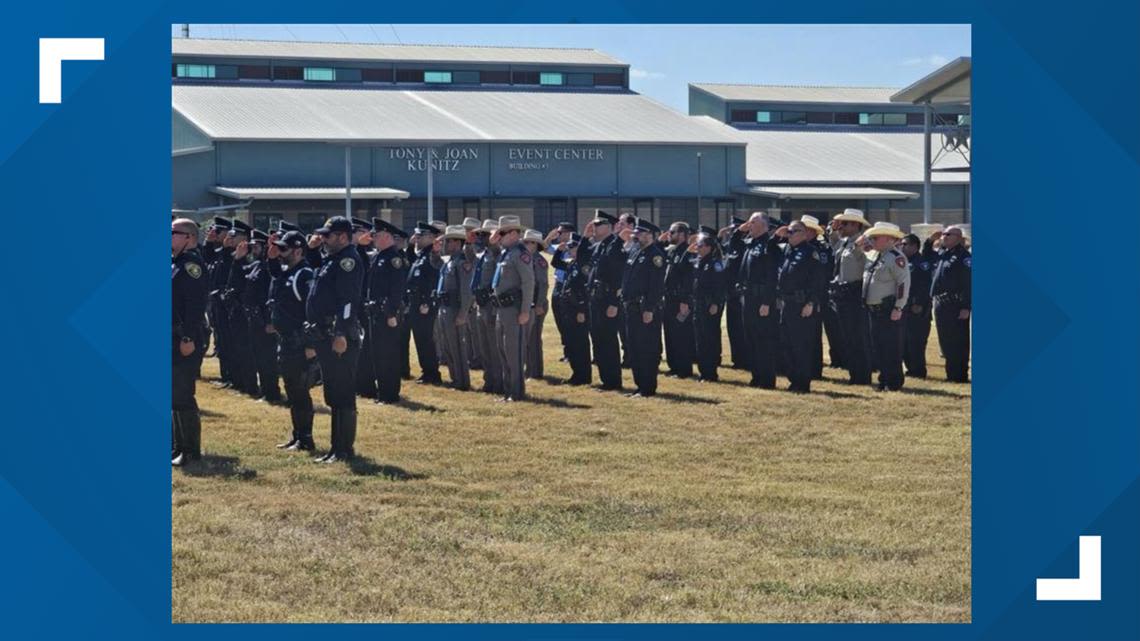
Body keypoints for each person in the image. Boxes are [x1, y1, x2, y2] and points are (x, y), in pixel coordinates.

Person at [305, 216, 364, 463]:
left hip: (337, 334)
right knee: (333, 391)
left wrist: (340, 332)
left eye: (328, 236)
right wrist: (312, 251)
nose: (323, 240)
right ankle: (335, 447)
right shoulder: (334, 259)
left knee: (342, 392)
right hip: (324, 333)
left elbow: (348, 301)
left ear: (342, 236)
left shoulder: (348, 260)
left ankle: (343, 449)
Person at [267, 231, 317, 451]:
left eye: (284, 249)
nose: (280, 253)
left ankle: (306, 438)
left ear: (298, 250)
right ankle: (297, 435)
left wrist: (310, 345)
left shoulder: (304, 274)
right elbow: (276, 275)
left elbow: (312, 311)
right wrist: (271, 258)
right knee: (292, 389)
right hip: (287, 340)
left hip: (299, 342)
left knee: (299, 390)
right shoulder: (289, 272)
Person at [172, 218, 208, 466]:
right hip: (171, 335)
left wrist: (188, 337)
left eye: (174, 232)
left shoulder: (191, 266)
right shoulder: (176, 264)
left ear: (189, 238)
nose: (169, 236)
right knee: (173, 393)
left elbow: (195, 306)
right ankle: (177, 446)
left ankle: (191, 450)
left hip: (185, 336)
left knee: (183, 392)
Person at [363, 219, 410, 404]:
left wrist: (391, 313)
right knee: (378, 354)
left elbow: (397, 289)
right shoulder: (379, 256)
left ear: (387, 236)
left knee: (388, 355)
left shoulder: (393, 258)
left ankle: (390, 394)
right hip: (375, 312)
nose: (373, 238)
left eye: (376, 235)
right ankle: (383, 392)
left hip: (386, 314)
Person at [860, 222, 911, 391]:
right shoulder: (875, 255)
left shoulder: (896, 258)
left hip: (888, 310)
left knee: (891, 347)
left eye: (875, 237)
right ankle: (884, 379)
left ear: (889, 239)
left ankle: (893, 382)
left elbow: (903, 284)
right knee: (879, 347)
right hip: (873, 309)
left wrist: (898, 307)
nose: (872, 240)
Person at [776, 221, 824, 393]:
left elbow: (817, 282)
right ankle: (793, 379)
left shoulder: (810, 253)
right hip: (787, 304)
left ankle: (803, 383)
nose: (789, 234)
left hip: (802, 305)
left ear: (804, 234)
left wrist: (811, 303)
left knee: (801, 345)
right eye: (788, 231)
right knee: (787, 344)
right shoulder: (789, 251)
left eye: (793, 231)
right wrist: (778, 234)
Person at [620, 219, 667, 397]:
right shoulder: (635, 251)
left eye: (640, 233)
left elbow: (656, 286)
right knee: (634, 347)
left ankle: (648, 387)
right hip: (631, 307)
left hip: (644, 309)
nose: (636, 236)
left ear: (649, 235)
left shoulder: (655, 256)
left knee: (646, 348)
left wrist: (649, 308)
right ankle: (639, 385)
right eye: (636, 233)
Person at [490, 216, 535, 402]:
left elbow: (528, 282)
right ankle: (508, 391)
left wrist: (525, 310)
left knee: (514, 353)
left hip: (514, 309)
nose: (499, 236)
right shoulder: (505, 253)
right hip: (502, 308)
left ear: (515, 233)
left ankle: (516, 392)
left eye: (503, 233)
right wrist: (492, 244)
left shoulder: (520, 254)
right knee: (503, 350)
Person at [736, 213, 782, 389]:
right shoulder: (751, 244)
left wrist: (767, 301)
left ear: (764, 226)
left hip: (762, 299)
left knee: (764, 341)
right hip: (748, 298)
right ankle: (756, 376)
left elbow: (772, 277)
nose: (749, 224)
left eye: (753, 222)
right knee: (751, 339)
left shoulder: (769, 247)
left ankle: (767, 379)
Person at [828, 208, 873, 385]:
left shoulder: (863, 243)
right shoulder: (844, 242)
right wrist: (835, 229)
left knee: (857, 337)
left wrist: (858, 246)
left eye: (845, 223)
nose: (841, 226)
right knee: (846, 336)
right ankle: (854, 373)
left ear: (856, 225)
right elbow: (833, 245)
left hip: (854, 293)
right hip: (841, 293)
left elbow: (866, 260)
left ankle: (862, 375)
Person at [585, 211, 626, 391]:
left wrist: (614, 303)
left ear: (609, 227)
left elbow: (619, 279)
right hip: (596, 298)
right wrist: (586, 238)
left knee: (608, 341)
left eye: (598, 224)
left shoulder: (616, 247)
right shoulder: (600, 245)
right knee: (598, 339)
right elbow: (582, 258)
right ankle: (605, 379)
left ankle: (613, 381)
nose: (594, 227)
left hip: (608, 299)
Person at [926, 226, 972, 382]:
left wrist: (966, 307)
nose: (944, 237)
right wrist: (930, 240)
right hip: (940, 303)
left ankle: (960, 375)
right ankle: (951, 374)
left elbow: (968, 283)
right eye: (943, 234)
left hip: (955, 304)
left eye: (948, 234)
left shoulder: (963, 257)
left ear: (959, 238)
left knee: (958, 340)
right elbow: (926, 255)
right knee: (945, 340)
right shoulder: (942, 254)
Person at [242, 229, 283, 403]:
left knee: (268, 359)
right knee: (259, 357)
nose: (254, 249)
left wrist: (269, 321)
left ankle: (272, 392)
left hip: (264, 319)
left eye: (257, 246)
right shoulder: (257, 265)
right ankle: (265, 390)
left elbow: (270, 296)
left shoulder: (268, 268)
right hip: (255, 319)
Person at [436, 225, 475, 391]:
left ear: (458, 243)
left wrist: (463, 313)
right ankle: (455, 378)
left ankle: (462, 381)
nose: (446, 244)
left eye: (449, 241)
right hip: (444, 307)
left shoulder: (462, 263)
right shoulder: (449, 262)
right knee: (448, 346)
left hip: (454, 309)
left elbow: (466, 291)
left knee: (458, 346)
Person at [405, 222, 443, 385]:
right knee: (420, 340)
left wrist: (427, 302)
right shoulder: (421, 255)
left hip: (424, 304)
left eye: (420, 236)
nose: (417, 239)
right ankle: (426, 371)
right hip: (415, 303)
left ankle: (432, 373)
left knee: (425, 340)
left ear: (431, 238)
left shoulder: (432, 256)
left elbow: (433, 281)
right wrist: (411, 245)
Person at [225, 219, 258, 395]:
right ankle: (239, 381)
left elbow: (245, 280)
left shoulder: (250, 257)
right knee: (236, 347)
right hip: (235, 307)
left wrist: (238, 260)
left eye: (235, 235)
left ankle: (250, 385)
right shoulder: (235, 255)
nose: (232, 238)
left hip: (244, 309)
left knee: (246, 349)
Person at [553, 233, 592, 385]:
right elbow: (556, 262)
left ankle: (583, 375)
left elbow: (585, 290)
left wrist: (582, 310)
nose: (569, 250)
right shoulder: (572, 264)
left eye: (572, 247)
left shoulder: (584, 266)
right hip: (568, 308)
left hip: (578, 310)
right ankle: (577, 374)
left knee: (580, 343)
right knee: (571, 342)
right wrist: (559, 250)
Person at [691, 227, 727, 382]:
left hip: (709, 306)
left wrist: (715, 303)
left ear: (708, 247)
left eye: (699, 245)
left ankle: (710, 372)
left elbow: (720, 286)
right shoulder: (699, 262)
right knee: (700, 338)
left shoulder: (715, 264)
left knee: (709, 338)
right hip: (698, 305)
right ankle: (703, 371)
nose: (697, 248)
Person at [661, 221, 695, 379]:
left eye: (672, 232)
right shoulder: (672, 251)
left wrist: (685, 301)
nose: (669, 235)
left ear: (682, 234)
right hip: (668, 299)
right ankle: (674, 366)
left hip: (680, 300)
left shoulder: (689, 253)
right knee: (670, 334)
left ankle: (684, 369)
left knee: (681, 335)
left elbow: (688, 280)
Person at [900, 233, 933, 378]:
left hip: (917, 308)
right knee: (906, 340)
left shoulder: (922, 263)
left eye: (905, 244)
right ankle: (910, 368)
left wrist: (919, 303)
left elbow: (925, 285)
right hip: (905, 307)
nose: (902, 246)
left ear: (914, 246)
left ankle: (918, 370)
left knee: (916, 341)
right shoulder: (904, 262)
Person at [720, 217, 750, 370]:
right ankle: (737, 359)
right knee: (733, 329)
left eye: (735, 230)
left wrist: (740, 232)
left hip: (740, 294)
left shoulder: (746, 245)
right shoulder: (732, 245)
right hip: (730, 294)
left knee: (741, 328)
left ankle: (745, 359)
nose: (732, 233)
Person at [546, 222, 576, 362]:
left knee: (569, 322)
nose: (558, 235)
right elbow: (545, 247)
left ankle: (573, 352)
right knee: (560, 320)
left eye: (560, 232)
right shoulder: (560, 247)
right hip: (558, 285)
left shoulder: (575, 246)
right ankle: (567, 352)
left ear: (569, 232)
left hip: (570, 287)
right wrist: (549, 237)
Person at [522, 229, 550, 380]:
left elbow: (543, 284)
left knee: (533, 338)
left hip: (537, 303)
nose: (526, 244)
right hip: (528, 303)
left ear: (536, 244)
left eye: (530, 242)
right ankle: (529, 368)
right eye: (525, 241)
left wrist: (539, 304)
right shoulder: (526, 258)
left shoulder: (539, 261)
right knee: (526, 338)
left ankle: (536, 371)